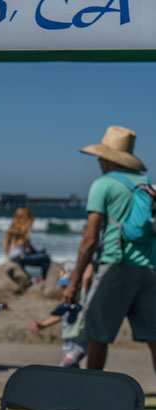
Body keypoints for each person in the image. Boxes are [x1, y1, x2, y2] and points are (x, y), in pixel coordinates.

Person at [64, 125, 156, 370]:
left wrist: (73, 280)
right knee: (154, 337)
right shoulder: (147, 185)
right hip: (150, 269)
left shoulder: (103, 185)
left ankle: (91, 402)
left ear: (106, 158)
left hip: (117, 266)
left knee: (97, 334)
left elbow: (90, 238)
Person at [29, 264, 94, 367]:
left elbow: (87, 278)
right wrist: (42, 325)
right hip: (68, 345)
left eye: (66, 286)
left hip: (81, 345)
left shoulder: (83, 299)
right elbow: (58, 317)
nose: (64, 290)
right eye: (63, 287)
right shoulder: (66, 303)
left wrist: (89, 260)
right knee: (72, 373)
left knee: (64, 366)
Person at [3, 207, 51, 280]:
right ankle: (44, 279)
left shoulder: (12, 228)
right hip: (18, 257)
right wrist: (37, 252)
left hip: (14, 256)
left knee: (42, 254)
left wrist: (37, 252)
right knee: (46, 258)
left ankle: (31, 277)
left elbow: (25, 247)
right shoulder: (22, 230)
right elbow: (26, 247)